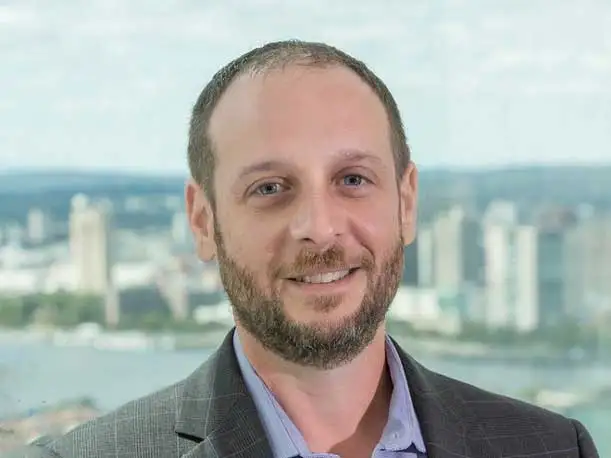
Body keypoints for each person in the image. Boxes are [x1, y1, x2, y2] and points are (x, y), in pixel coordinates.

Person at [11, 40, 598, 458]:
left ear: (406, 203)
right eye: (270, 188)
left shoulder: (551, 448)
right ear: (203, 221)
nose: (319, 228)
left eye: (353, 179)